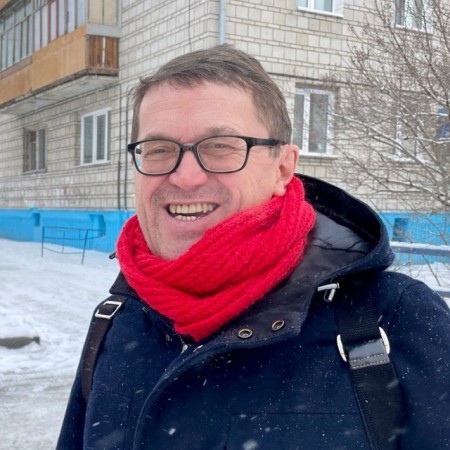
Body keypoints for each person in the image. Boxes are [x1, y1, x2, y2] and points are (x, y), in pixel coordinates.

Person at [57, 44, 450, 450]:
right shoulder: (117, 320)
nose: (185, 177)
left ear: (282, 168)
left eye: (220, 146)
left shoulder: (393, 319)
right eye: (158, 149)